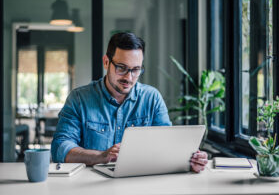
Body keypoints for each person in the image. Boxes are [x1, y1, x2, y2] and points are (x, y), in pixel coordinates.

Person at [51, 32, 208, 173]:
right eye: (121, 68)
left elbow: (167, 148)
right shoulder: (79, 99)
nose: (129, 77)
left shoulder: (152, 98)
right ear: (106, 62)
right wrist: (102, 156)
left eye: (136, 69)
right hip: (91, 186)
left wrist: (190, 161)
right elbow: (60, 148)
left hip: (140, 185)